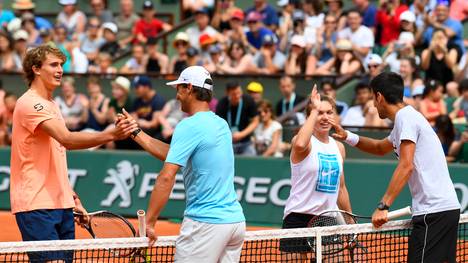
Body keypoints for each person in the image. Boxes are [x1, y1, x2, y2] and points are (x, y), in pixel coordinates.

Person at [9, 44, 135, 261]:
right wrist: (112, 134)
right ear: (36, 69)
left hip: (61, 204)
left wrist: (72, 199)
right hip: (36, 204)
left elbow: (55, 158)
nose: (60, 70)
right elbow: (67, 139)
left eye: (62, 65)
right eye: (54, 64)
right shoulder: (29, 103)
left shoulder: (52, 105)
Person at [117, 66, 245, 262]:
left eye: (179, 88)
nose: (176, 95)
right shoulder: (220, 124)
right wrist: (136, 132)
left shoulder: (189, 125)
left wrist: (149, 223)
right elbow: (173, 154)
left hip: (205, 224)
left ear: (189, 88)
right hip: (234, 223)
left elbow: (166, 176)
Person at [331, 72, 460, 263]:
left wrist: (383, 206)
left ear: (379, 97)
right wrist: (347, 136)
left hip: (432, 213)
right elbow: (379, 147)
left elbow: (406, 166)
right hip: (444, 210)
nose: (374, 106)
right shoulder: (408, 118)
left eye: (374, 99)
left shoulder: (405, 119)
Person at [281, 86, 352, 259]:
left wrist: (350, 220)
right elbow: (299, 145)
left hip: (327, 219)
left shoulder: (339, 148)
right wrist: (314, 109)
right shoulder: (302, 142)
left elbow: (340, 187)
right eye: (320, 113)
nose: (325, 117)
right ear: (309, 117)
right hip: (297, 218)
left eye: (329, 112)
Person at [216, 81, 259, 156]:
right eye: (234, 94)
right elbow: (217, 125)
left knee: (252, 156)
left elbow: (255, 121)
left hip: (246, 142)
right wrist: (228, 135)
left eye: (239, 92)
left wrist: (242, 134)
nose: (237, 96)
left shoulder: (248, 100)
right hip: (228, 143)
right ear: (227, 93)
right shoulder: (222, 104)